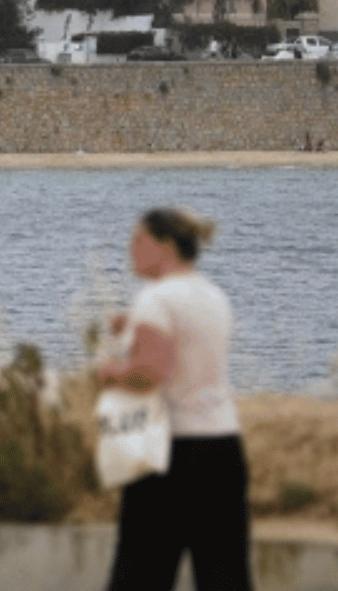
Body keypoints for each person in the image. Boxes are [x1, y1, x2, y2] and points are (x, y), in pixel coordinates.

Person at [98, 207, 250, 591]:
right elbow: (187, 350)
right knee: (225, 575)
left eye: (139, 240)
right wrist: (134, 325)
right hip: (223, 449)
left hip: (169, 454)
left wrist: (110, 373)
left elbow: (149, 373)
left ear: (165, 246)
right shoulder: (212, 295)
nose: (130, 248)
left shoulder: (156, 297)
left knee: (139, 575)